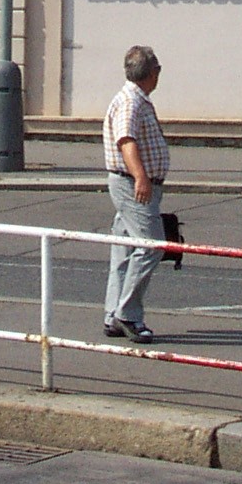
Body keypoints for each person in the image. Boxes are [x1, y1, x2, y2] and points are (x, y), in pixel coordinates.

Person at [101, 44, 169, 343]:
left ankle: (112, 314)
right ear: (152, 72)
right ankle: (127, 314)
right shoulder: (131, 101)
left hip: (132, 183)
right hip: (133, 184)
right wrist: (141, 177)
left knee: (125, 248)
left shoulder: (134, 98)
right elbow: (126, 140)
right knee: (151, 245)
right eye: (158, 69)